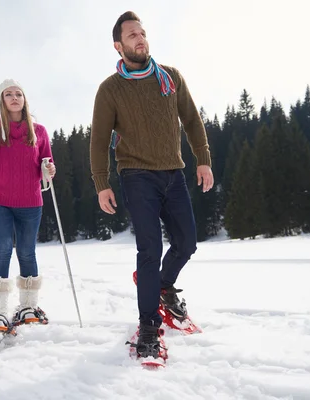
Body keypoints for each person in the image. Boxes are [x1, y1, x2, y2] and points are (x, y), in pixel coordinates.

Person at [89, 12, 214, 358]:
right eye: (132, 35)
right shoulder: (110, 90)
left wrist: (202, 159)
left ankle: (161, 286)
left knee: (187, 242)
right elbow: (99, 141)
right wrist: (102, 183)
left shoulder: (170, 78)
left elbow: (191, 119)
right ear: (119, 45)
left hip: (173, 173)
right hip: (136, 175)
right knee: (149, 249)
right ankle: (148, 327)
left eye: (142, 33)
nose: (140, 39)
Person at [0, 79, 55, 336]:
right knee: (3, 247)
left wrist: (49, 170)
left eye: (18, 93)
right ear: (2, 100)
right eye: (9, 94)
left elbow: (47, 166)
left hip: (30, 200)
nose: (14, 97)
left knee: (28, 251)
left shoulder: (38, 131)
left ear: (24, 99)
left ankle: (28, 307)